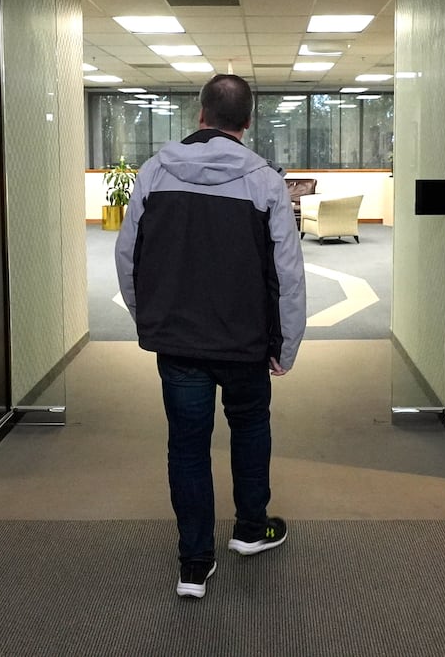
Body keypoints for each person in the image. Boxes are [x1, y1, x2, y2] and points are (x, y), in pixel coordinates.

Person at [115, 73, 307, 600]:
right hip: (246, 343)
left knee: (187, 445)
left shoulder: (155, 171)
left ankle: (194, 564)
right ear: (247, 122)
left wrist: (147, 319)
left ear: (200, 114)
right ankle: (250, 529)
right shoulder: (267, 180)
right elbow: (288, 273)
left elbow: (129, 257)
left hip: (177, 343)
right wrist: (285, 345)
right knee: (249, 428)